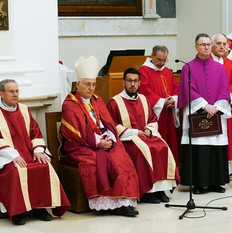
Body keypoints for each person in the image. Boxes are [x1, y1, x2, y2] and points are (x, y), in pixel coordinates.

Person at [61, 55, 140, 217]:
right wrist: (98, 142)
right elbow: (76, 133)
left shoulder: (97, 101)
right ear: (78, 85)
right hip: (80, 146)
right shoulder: (69, 105)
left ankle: (122, 202)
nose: (91, 88)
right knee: (96, 161)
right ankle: (106, 204)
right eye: (88, 84)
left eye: (94, 85)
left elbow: (108, 123)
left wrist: (109, 138)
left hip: (103, 140)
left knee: (121, 156)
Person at [0, 79, 70, 225]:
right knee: (16, 171)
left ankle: (40, 208)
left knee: (44, 165)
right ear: (1, 93)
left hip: (28, 152)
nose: (15, 94)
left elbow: (35, 132)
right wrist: (13, 155)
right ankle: (18, 212)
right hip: (6, 155)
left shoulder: (24, 109)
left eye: (17, 91)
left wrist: (38, 150)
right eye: (11, 91)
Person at [107, 67, 179, 204]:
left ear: (139, 83)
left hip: (145, 135)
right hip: (127, 139)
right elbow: (112, 125)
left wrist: (150, 130)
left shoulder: (144, 99)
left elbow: (152, 119)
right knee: (142, 152)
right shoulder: (115, 102)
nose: (132, 84)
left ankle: (160, 190)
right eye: (129, 81)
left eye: (135, 81)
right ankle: (147, 192)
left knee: (162, 146)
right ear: (123, 82)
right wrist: (134, 132)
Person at [178, 33, 231, 194]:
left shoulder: (219, 67)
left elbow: (224, 89)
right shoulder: (187, 67)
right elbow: (187, 90)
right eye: (203, 45)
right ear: (196, 47)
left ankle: (216, 182)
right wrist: (204, 105)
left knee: (215, 148)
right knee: (199, 149)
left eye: (208, 44)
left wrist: (216, 107)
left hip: (216, 113)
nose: (206, 47)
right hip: (197, 113)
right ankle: (198, 184)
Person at [138, 45, 180, 167]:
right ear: (151, 56)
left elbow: (176, 88)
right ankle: (159, 168)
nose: (162, 63)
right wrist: (162, 102)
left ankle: (173, 169)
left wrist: (174, 99)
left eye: (164, 60)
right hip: (155, 115)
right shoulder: (143, 71)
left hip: (169, 112)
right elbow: (145, 91)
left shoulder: (167, 71)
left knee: (171, 140)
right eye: (159, 59)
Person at [211, 33, 232, 176]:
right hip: (210, 109)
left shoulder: (229, 63)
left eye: (224, 44)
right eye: (218, 44)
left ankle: (224, 173)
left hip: (225, 108)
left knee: (226, 139)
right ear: (211, 45)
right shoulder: (206, 61)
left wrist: (225, 100)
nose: (222, 47)